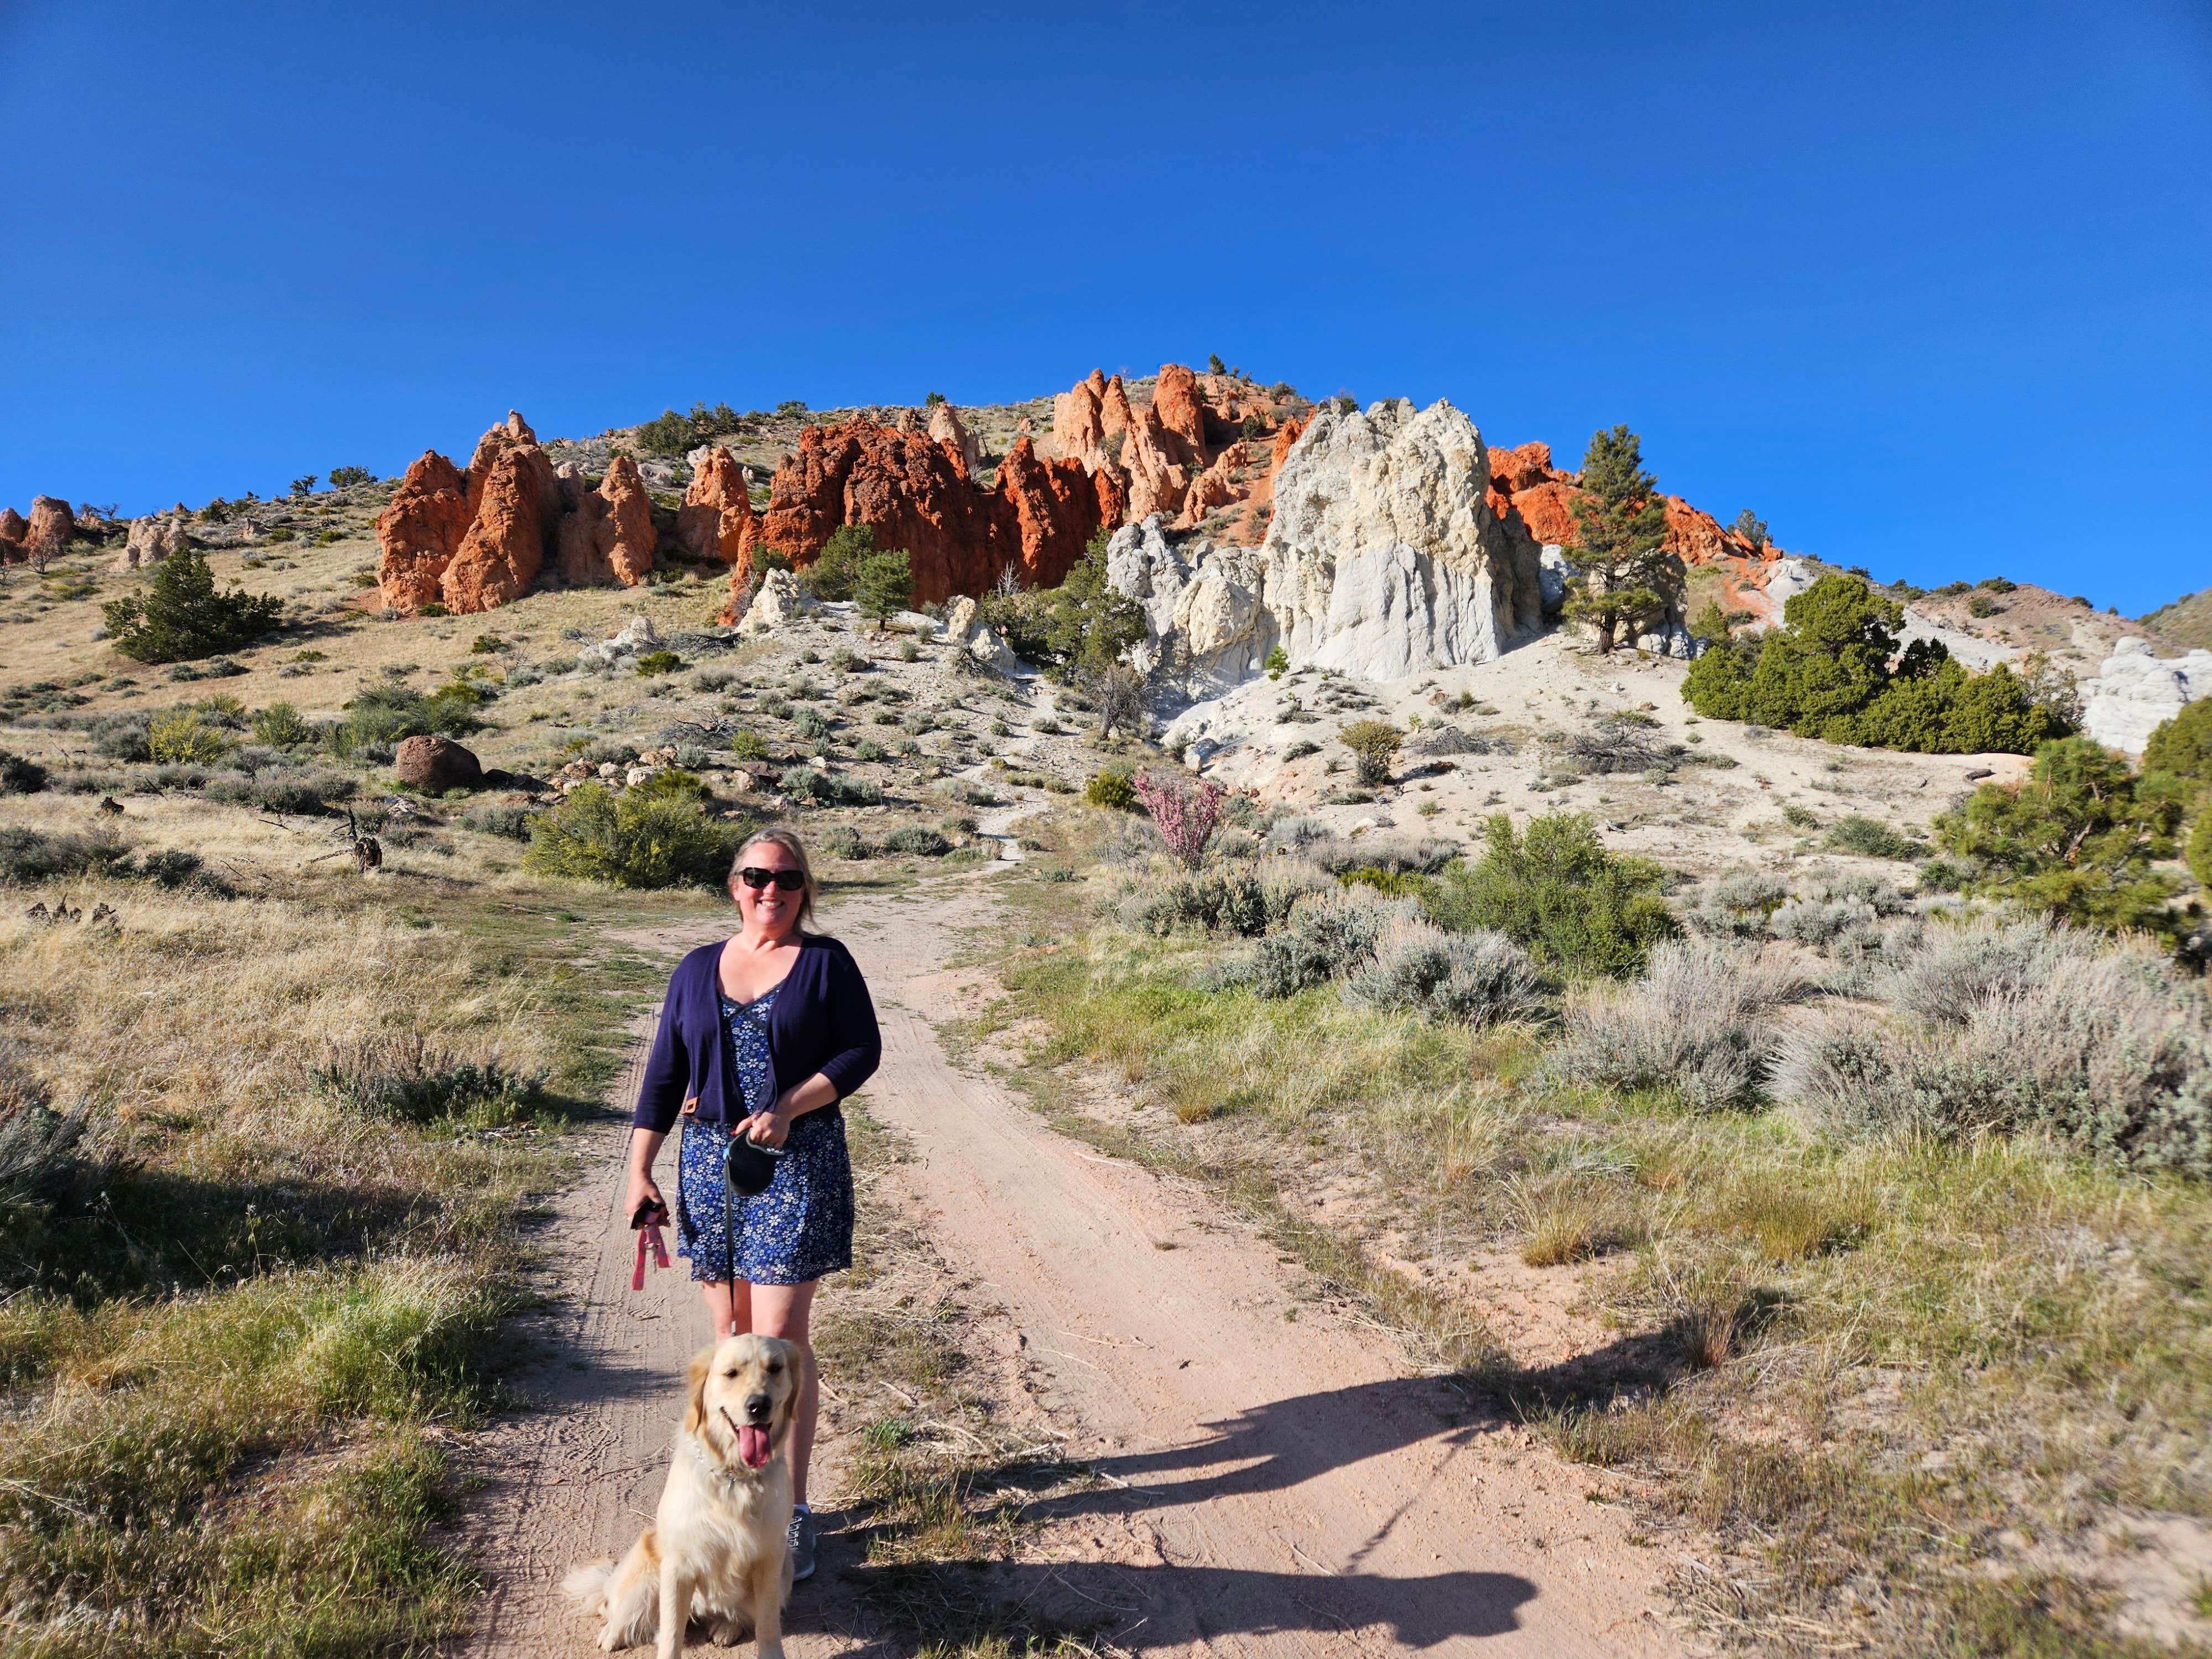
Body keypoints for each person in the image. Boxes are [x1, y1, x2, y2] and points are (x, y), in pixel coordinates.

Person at [626, 826, 880, 1583]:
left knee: (775, 1344)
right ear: (734, 885)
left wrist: (793, 1105)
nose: (771, 891)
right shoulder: (697, 968)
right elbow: (665, 1072)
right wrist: (641, 1170)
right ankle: (733, 1499)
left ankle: (790, 1510)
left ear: (806, 891)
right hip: (711, 1164)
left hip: (797, 1163)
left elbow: (860, 1050)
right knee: (730, 1342)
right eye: (756, 876)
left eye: (788, 879)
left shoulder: (827, 964)